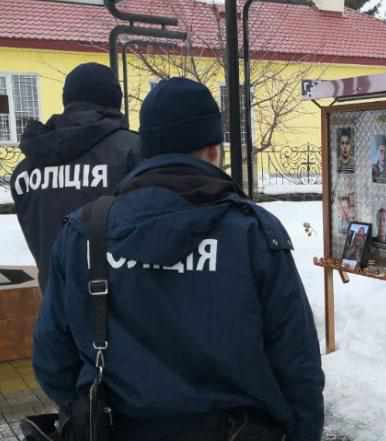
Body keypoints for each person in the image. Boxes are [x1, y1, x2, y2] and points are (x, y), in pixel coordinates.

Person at [32, 78, 325, 441]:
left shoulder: (84, 234)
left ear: (145, 148)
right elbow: (298, 367)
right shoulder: (254, 233)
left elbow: (52, 363)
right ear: (214, 150)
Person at [10, 63, 141, 289]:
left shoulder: (24, 171)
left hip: (54, 313)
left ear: (66, 100)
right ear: (115, 101)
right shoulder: (133, 152)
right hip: (121, 313)